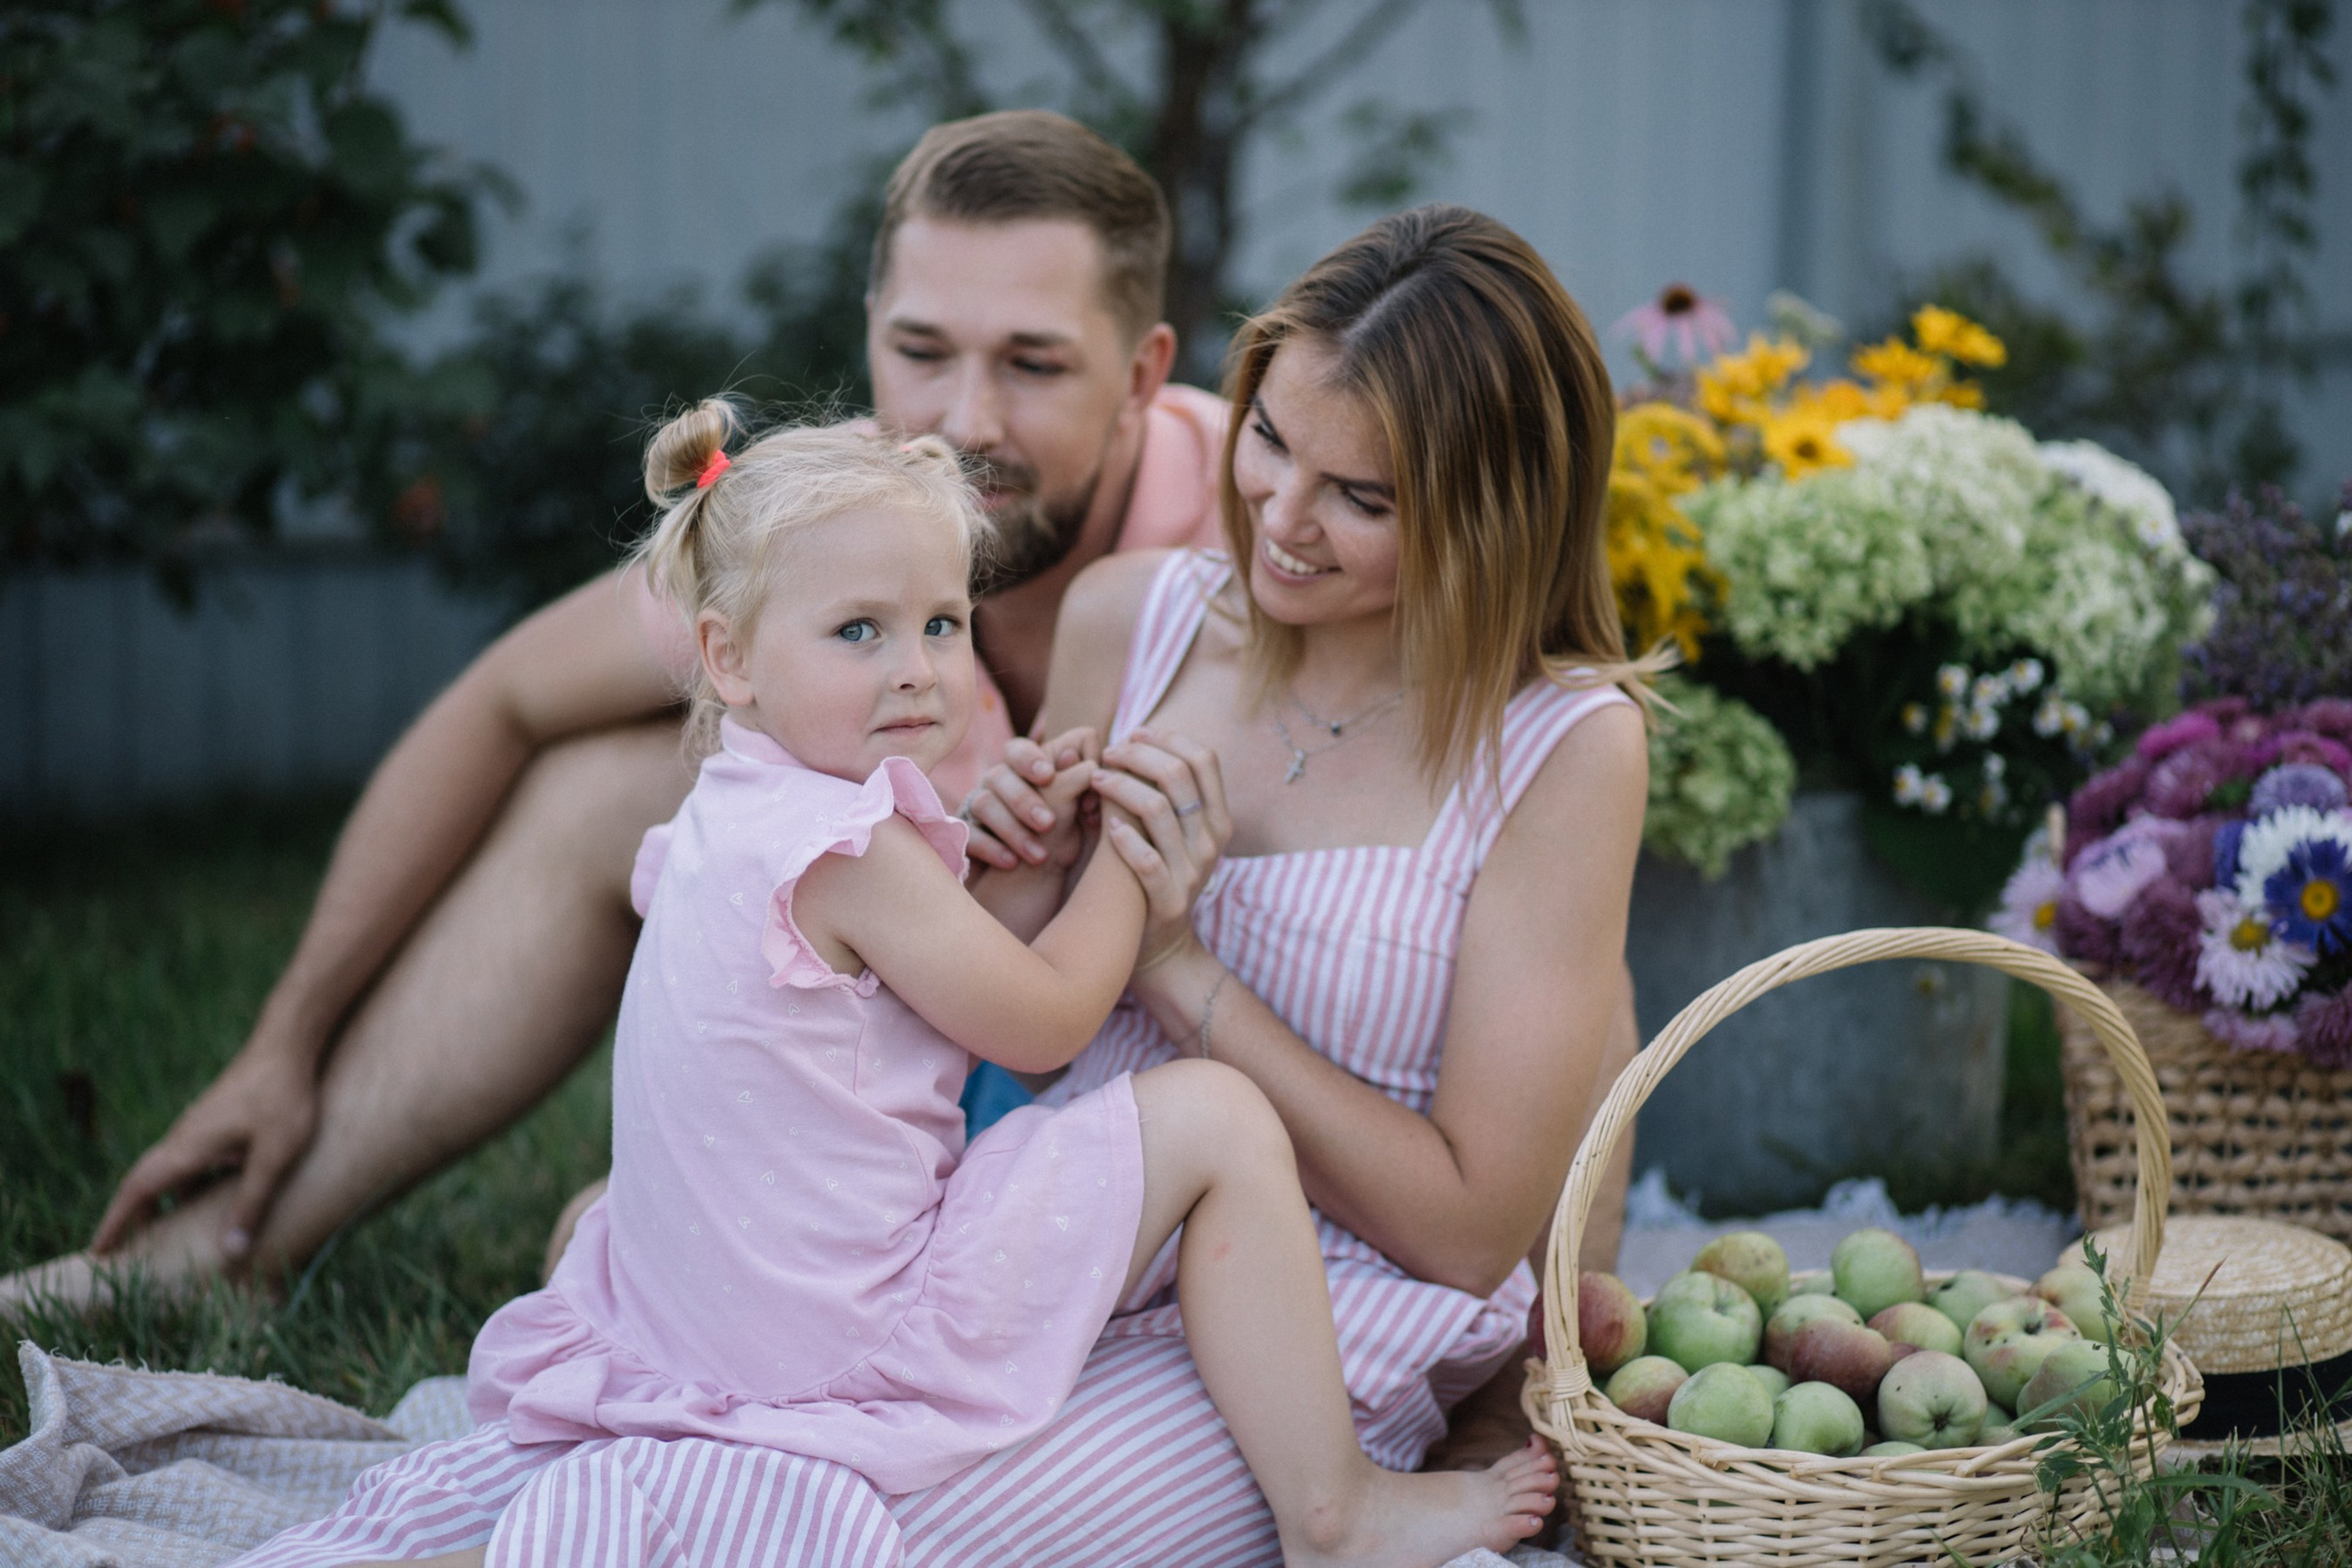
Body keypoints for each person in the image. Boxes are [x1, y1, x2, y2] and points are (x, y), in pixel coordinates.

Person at [231, 412, 1555, 1568]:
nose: (916, 666)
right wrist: (1141, 885)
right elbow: (1042, 1019)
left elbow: (899, 991)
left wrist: (1012, 861)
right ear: (728, 658)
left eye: (940, 623)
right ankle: (1334, 1512)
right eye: (859, 631)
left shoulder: (737, 811)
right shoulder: (850, 846)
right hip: (840, 1335)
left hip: (703, 1316)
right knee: (1213, 1116)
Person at [0, 109, 1233, 1311]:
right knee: (600, 803)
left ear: (1141, 375)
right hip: (887, 1092)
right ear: (869, 333)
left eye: (1032, 363)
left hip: (1166, 1084)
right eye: (922, 352)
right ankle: (231, 1250)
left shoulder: (1275, 525)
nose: (965, 421)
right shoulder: (828, 528)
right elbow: (503, 701)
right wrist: (284, 1041)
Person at [867, 203, 1657, 1562]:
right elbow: (1020, 1019)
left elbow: (1471, 1234)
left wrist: (1179, 969)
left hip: (1314, 1324)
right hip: (1060, 1229)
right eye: (1272, 442)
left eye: (1362, 499)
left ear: (1493, 514)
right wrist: (1001, 878)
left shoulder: (1563, 747)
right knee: (731, 1447)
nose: (1281, 521)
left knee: (898, 1531)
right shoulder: (1135, 616)